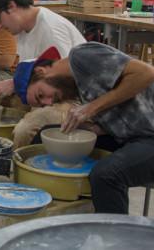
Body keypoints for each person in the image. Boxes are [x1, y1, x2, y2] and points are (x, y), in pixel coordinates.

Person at [14, 42, 154, 214]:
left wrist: (92, 108)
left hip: (150, 137)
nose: (49, 102)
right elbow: (122, 111)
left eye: (41, 94)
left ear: (41, 72)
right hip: (132, 136)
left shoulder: (81, 57)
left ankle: (114, 237)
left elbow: (146, 73)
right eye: (42, 104)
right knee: (44, 136)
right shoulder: (74, 88)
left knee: (105, 175)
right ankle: (43, 210)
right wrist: (95, 127)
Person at [0, 0, 86, 143]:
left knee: (25, 129)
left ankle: (15, 164)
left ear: (11, 6)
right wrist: (10, 83)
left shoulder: (51, 28)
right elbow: (35, 72)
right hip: (44, 90)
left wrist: (15, 84)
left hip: (74, 98)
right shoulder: (22, 30)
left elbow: (62, 82)